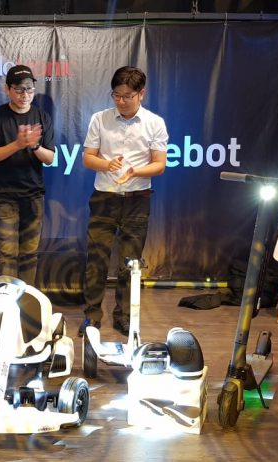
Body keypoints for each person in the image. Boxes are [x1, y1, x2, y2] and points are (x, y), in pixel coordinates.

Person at [78, 66, 168, 337]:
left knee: (131, 264)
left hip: (137, 200)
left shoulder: (155, 123)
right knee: (96, 260)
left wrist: (134, 171)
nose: (121, 101)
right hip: (104, 198)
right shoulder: (100, 119)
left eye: (127, 96)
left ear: (141, 94)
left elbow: (159, 165)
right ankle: (91, 316)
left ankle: (124, 317)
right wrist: (106, 165)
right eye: (116, 95)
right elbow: (88, 158)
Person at [0, 65, 55, 285]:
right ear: (7, 89)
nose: (25, 95)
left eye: (29, 89)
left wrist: (34, 146)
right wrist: (18, 144)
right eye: (19, 89)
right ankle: (8, 300)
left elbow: (49, 158)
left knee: (30, 254)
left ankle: (27, 300)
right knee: (8, 254)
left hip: (33, 195)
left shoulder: (42, 117)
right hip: (4, 195)